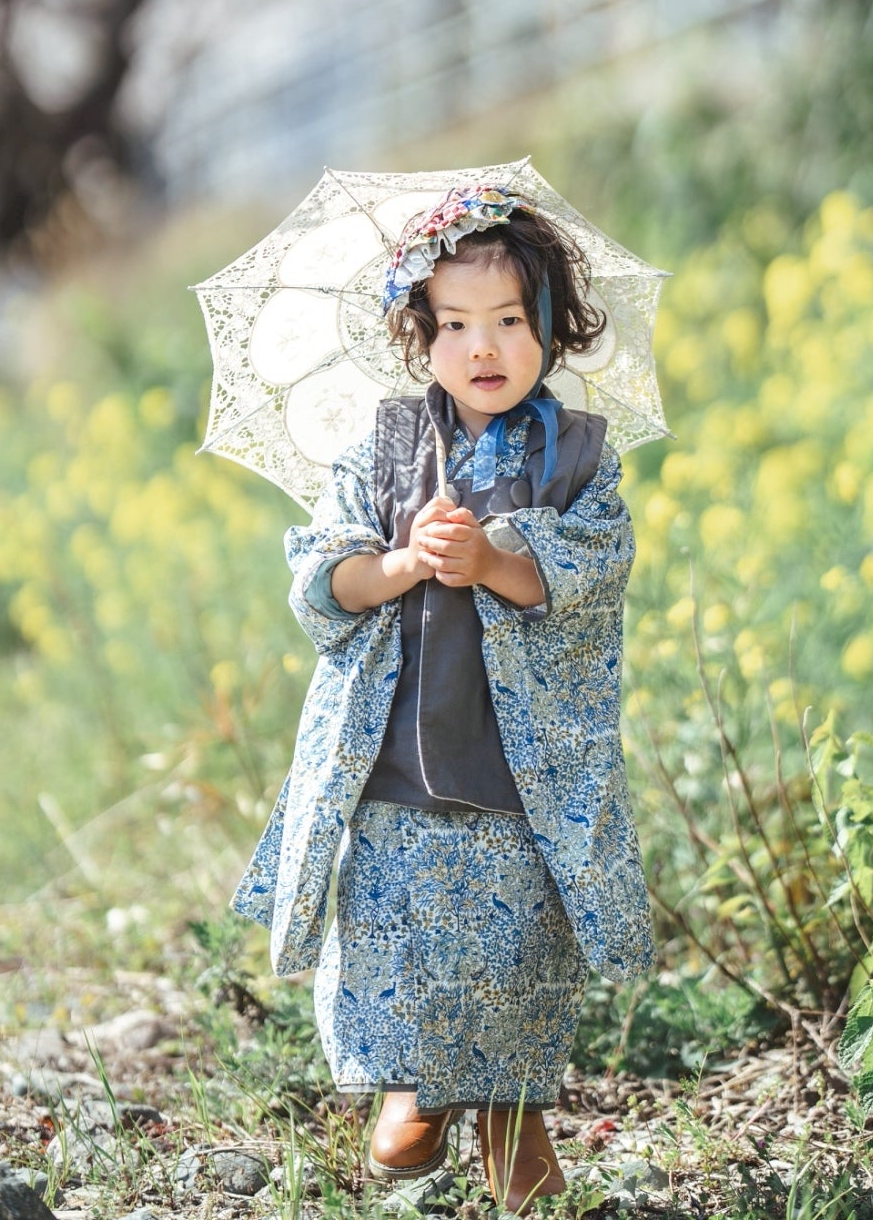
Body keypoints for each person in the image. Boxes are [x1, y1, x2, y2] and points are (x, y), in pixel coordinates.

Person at [231, 184, 655, 1212]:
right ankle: (413, 1086)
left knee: (513, 950)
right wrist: (402, 561)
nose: (484, 345)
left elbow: (595, 567)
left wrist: (497, 558)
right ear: (417, 337)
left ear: (555, 329)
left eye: (511, 319)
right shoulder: (379, 448)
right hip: (394, 762)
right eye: (456, 323)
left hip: (516, 765)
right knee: (395, 934)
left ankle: (514, 1122)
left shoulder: (576, 457)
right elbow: (321, 579)